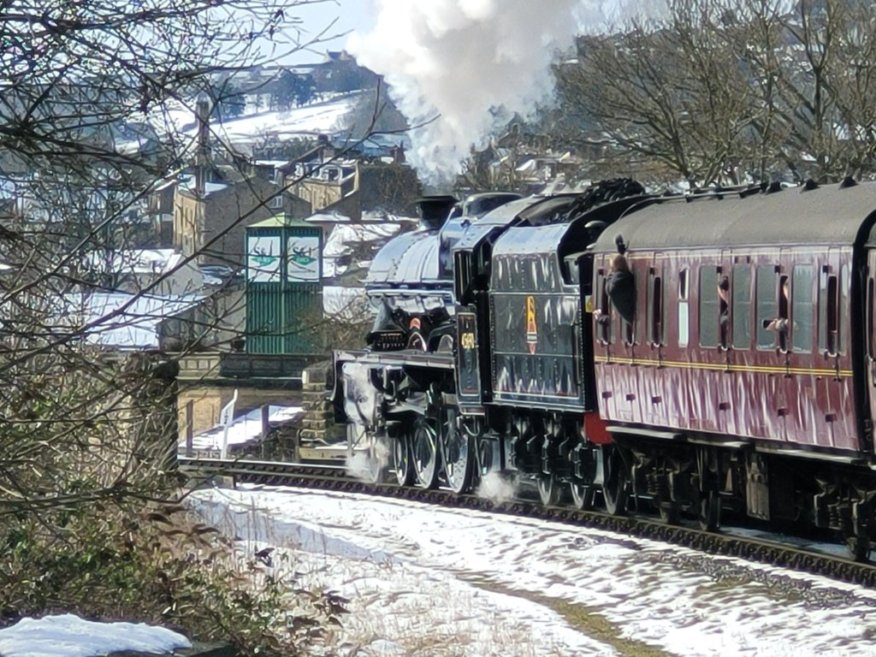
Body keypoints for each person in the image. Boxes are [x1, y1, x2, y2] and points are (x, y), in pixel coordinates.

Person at [595, 253, 636, 325]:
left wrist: (610, 274)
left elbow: (610, 289)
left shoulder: (620, 279)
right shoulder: (628, 276)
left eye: (611, 267)